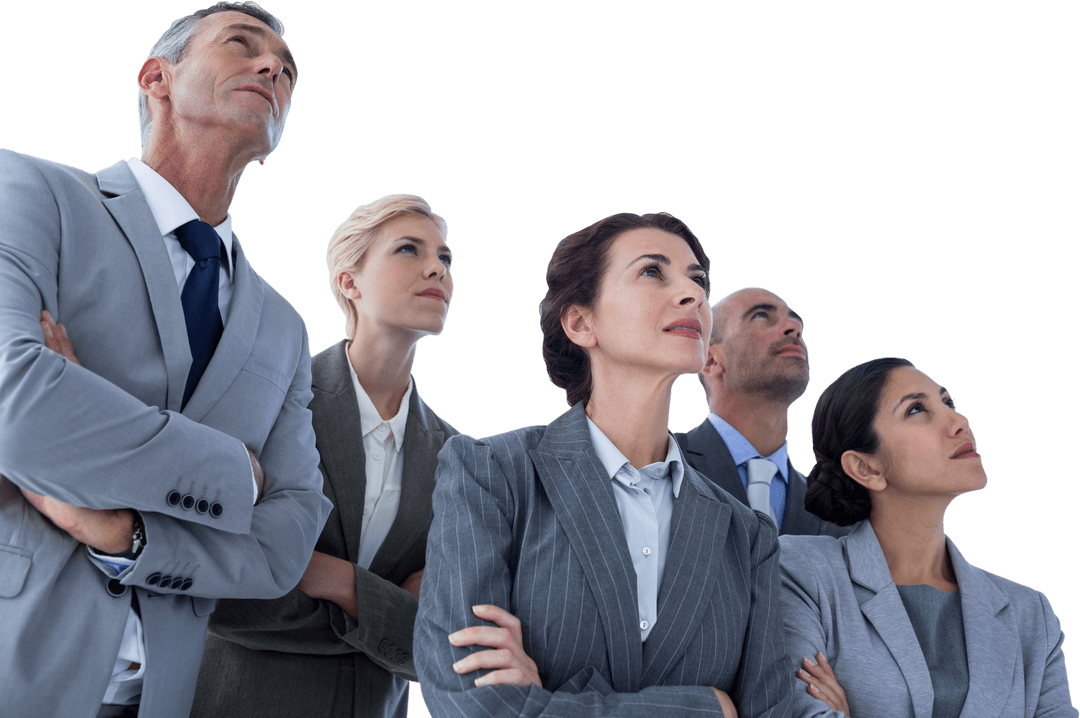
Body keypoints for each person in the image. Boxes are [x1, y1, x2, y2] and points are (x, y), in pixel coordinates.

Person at [0, 4, 332, 717]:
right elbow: (16, 405)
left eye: (288, 69)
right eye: (242, 46)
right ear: (157, 78)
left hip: (163, 699)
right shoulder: (27, 193)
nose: (273, 67)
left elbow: (288, 538)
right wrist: (232, 474)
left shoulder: (283, 327)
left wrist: (125, 532)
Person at [415, 212, 793, 718]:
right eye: (653, 272)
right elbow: (468, 701)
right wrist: (706, 709)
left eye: (697, 280)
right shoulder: (492, 475)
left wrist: (545, 701)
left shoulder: (746, 536)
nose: (692, 295)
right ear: (580, 322)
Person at [191, 194, 460, 718]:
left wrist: (335, 580)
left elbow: (443, 641)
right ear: (349, 283)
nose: (437, 267)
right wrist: (386, 607)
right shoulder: (269, 401)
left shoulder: (457, 458)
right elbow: (219, 588)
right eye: (409, 249)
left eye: (445, 258)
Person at [780, 358, 1077, 718]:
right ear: (866, 467)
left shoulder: (1029, 614)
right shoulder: (801, 573)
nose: (959, 422)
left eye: (948, 403)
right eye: (917, 409)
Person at [677, 287, 847, 537]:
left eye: (796, 321)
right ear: (711, 360)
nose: (793, 328)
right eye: (760, 316)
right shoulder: (660, 462)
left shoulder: (832, 514)